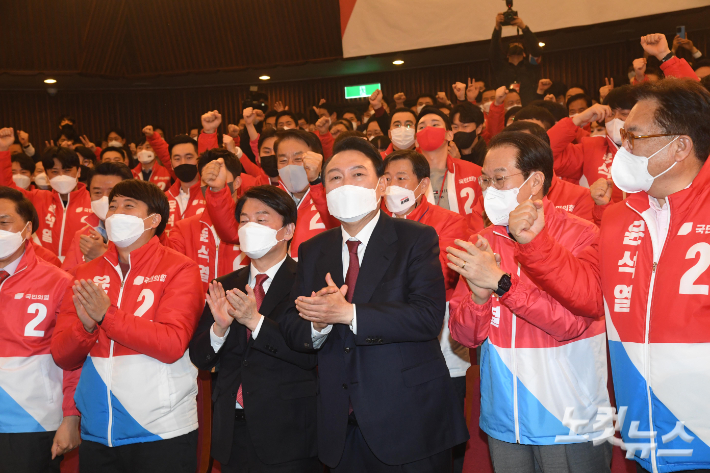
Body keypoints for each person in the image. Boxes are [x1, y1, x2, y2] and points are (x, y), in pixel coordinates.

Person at [504, 77, 710, 473]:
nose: (621, 148)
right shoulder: (619, 217)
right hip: (647, 435)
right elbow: (589, 296)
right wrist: (535, 245)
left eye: (633, 137)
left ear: (680, 146)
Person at [278, 136, 469, 472]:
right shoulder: (313, 249)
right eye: (335, 177)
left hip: (409, 421)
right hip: (341, 426)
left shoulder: (416, 238)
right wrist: (318, 323)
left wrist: (348, 313)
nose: (345, 184)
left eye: (357, 175)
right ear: (323, 190)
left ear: (381, 185)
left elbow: (426, 317)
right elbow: (294, 327)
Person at [446, 131, 611, 472]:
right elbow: (463, 337)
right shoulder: (483, 241)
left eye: (500, 179)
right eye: (485, 180)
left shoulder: (582, 235)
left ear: (535, 181)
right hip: (504, 417)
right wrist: (478, 298)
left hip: (567, 417)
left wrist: (500, 284)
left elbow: (571, 324)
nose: (489, 189)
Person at [51, 179, 204, 473]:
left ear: (154, 219)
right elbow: (62, 356)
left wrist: (107, 316)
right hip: (98, 430)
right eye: (113, 206)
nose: (116, 213)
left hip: (161, 429)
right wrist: (84, 327)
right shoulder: (84, 273)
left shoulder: (180, 268)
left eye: (128, 206)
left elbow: (172, 343)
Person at [189, 185, 320, 473]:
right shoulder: (225, 284)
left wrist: (255, 321)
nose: (250, 226)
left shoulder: (306, 281)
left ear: (287, 230)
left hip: (289, 432)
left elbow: (309, 354)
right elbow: (200, 357)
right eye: (244, 220)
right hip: (232, 432)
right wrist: (219, 329)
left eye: (261, 219)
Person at [382, 150, 471, 472]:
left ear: (421, 185)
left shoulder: (449, 222)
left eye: (401, 179)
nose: (392, 186)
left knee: (441, 421)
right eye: (387, 179)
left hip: (441, 331)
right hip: (387, 330)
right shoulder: (371, 223)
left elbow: (441, 274)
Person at [549, 34, 699, 189]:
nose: (616, 119)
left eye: (624, 114)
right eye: (611, 114)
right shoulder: (590, 148)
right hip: (603, 212)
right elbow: (546, 155)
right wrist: (577, 120)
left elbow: (694, 103)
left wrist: (666, 56)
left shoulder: (659, 144)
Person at [0, 186, 81, 473]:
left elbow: (72, 358)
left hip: (30, 422)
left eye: (3, 222)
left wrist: (71, 417)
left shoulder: (58, 281)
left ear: (28, 228)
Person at [203, 129, 337, 261]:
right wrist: (218, 191)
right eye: (283, 160)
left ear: (317, 158)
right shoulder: (269, 199)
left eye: (298, 159)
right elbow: (232, 233)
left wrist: (316, 183)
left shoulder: (334, 195)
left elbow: (340, 225)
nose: (290, 166)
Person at [165, 148, 251, 292]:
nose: (212, 184)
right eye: (207, 179)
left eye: (218, 177)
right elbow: (168, 266)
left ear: (237, 182)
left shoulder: (254, 225)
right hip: (200, 311)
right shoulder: (184, 228)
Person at [0, 132, 93, 261]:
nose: (61, 176)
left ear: (78, 171)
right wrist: (3, 150)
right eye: (55, 171)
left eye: (67, 170)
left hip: (81, 269)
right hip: (43, 268)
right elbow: (7, 189)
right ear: (47, 176)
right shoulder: (37, 198)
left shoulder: (94, 201)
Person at [503, 120, 594, 222]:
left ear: (544, 152)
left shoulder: (580, 197)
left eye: (524, 151)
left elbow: (582, 236)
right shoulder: (492, 198)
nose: (516, 158)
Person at [415, 106, 484, 231]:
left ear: (449, 135)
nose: (428, 129)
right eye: (421, 127)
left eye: (435, 124)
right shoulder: (406, 178)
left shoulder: (476, 173)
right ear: (416, 140)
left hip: (467, 246)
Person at [61, 162, 134, 273]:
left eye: (112, 192)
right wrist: (89, 261)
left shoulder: (141, 232)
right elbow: (65, 278)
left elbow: (145, 276)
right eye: (97, 192)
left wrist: (102, 256)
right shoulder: (83, 235)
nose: (104, 198)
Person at [144, 126, 205, 234]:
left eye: (189, 157)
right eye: (177, 159)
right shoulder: (163, 200)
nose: (183, 162)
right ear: (171, 164)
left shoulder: (211, 195)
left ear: (199, 159)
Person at [490, 11, 543, 106]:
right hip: (507, 109)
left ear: (524, 54)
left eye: (519, 45)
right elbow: (494, 51)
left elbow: (536, 50)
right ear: (507, 55)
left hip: (529, 108)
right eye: (512, 45)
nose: (515, 45)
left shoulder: (532, 66)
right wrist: (497, 28)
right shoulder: (500, 67)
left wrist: (523, 27)